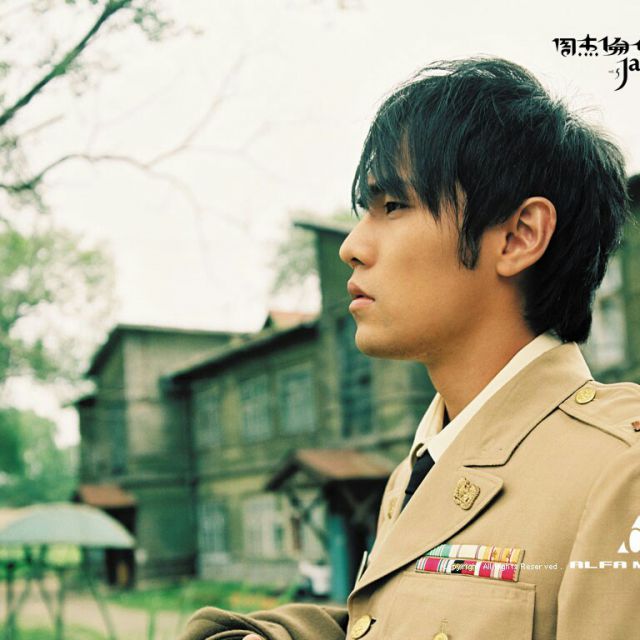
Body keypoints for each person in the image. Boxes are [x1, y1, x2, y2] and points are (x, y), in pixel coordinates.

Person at [180, 57, 640, 640]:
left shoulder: (621, 471)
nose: (352, 246)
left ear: (518, 236)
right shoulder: (416, 472)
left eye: (393, 206)